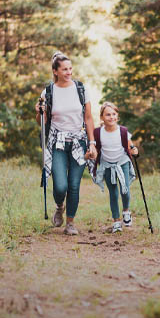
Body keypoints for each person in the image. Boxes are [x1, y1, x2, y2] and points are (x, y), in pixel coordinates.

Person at [35, 51, 97, 235]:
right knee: (60, 185)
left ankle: (70, 222)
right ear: (55, 71)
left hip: (79, 141)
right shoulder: (48, 92)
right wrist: (39, 111)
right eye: (64, 69)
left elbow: (88, 118)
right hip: (58, 143)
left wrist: (92, 143)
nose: (69, 72)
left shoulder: (81, 89)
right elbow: (42, 122)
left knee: (74, 185)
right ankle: (59, 205)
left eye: (70, 68)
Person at [87, 102, 138, 233]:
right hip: (108, 165)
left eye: (114, 114)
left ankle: (126, 211)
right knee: (113, 193)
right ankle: (116, 221)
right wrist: (90, 155)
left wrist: (134, 150)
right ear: (102, 117)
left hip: (122, 163)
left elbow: (130, 146)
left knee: (125, 190)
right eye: (108, 114)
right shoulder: (98, 133)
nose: (111, 117)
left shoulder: (123, 131)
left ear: (117, 116)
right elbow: (97, 149)